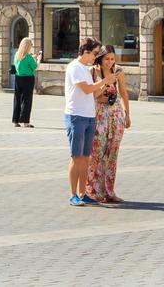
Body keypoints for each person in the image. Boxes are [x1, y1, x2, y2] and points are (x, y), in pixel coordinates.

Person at [64, 37, 105, 206]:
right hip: (76, 116)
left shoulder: (85, 69)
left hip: (89, 116)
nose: (96, 57)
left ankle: (83, 193)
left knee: (86, 157)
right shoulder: (74, 67)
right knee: (77, 157)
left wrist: (105, 85)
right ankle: (73, 195)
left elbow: (92, 94)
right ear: (86, 52)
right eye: (95, 53)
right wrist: (103, 81)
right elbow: (87, 89)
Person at [86, 46, 130, 203]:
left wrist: (127, 114)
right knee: (96, 153)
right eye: (107, 59)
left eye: (112, 59)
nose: (110, 62)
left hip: (116, 115)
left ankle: (109, 191)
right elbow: (91, 94)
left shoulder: (118, 71)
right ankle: (93, 191)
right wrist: (105, 84)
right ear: (100, 58)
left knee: (112, 154)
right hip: (99, 116)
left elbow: (123, 93)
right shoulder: (92, 72)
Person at [12, 36, 37, 128]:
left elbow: (18, 64)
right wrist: (37, 59)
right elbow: (34, 66)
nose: (31, 46)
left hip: (18, 78)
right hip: (28, 79)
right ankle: (25, 121)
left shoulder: (17, 54)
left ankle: (16, 121)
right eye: (31, 45)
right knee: (27, 100)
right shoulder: (28, 57)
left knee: (17, 99)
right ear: (28, 46)